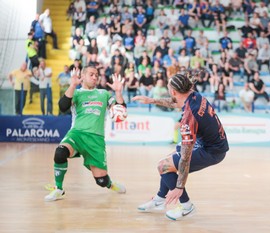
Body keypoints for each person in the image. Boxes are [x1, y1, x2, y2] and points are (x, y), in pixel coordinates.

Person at [132, 71, 229, 220]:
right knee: (169, 160)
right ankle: (160, 199)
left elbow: (185, 157)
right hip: (211, 144)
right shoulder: (194, 95)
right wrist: (151, 100)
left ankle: (187, 206)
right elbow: (176, 102)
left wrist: (179, 187)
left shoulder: (189, 117)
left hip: (212, 151)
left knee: (163, 166)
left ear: (173, 91)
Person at [44, 66, 127, 202]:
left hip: (96, 139)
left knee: (101, 180)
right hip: (77, 134)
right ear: (83, 76)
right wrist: (72, 85)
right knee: (60, 152)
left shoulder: (104, 94)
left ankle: (110, 184)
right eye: (91, 74)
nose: (95, 77)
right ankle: (58, 189)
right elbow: (63, 107)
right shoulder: (76, 93)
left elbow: (121, 110)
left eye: (96, 75)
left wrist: (118, 92)